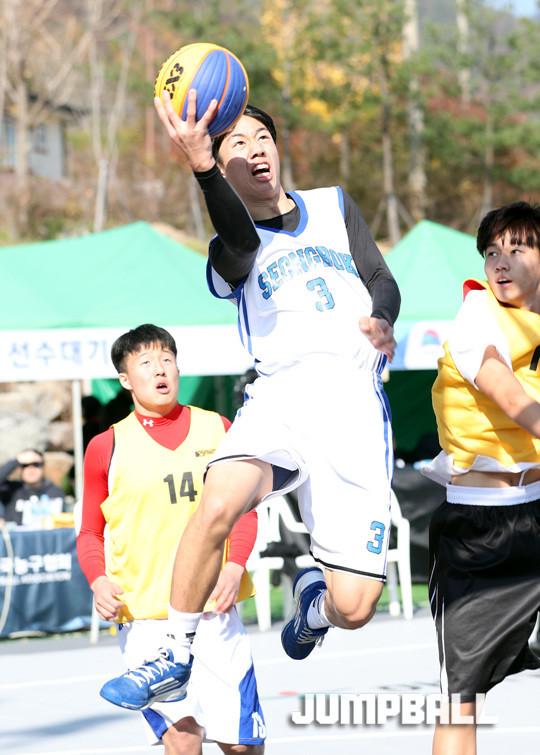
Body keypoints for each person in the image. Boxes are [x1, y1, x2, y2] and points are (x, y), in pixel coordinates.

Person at [102, 90, 401, 708]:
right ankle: (175, 652)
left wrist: (383, 318)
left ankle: (313, 605)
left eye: (261, 137)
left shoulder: (332, 205)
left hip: (354, 411)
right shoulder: (229, 248)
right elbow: (239, 238)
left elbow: (380, 276)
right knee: (217, 501)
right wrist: (200, 166)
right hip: (281, 399)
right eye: (236, 143)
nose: (255, 148)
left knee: (355, 608)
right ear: (223, 167)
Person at [77, 324, 265, 754]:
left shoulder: (218, 428)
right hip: (145, 618)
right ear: (125, 379)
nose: (160, 370)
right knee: (182, 738)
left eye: (167, 359)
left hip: (213, 611)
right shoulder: (106, 446)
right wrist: (98, 581)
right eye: (146, 362)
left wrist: (234, 566)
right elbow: (89, 531)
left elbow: (244, 510)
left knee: (241, 745)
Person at [422, 201, 540, 755]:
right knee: (461, 701)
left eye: (516, 248)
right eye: (491, 251)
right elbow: (510, 396)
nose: (500, 261)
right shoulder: (478, 314)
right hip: (479, 534)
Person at [0, 449, 65, 527]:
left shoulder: (55, 491)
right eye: (25, 465)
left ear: (43, 467)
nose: (31, 469)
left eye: (36, 464)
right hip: (15, 534)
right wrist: (16, 461)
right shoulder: (12, 489)